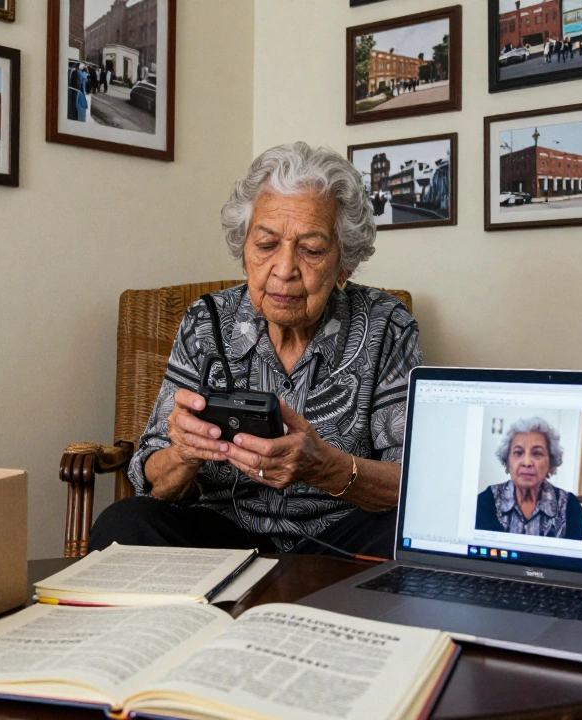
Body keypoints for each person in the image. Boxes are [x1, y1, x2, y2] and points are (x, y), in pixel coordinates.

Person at [89, 142, 421, 558]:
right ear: (243, 251)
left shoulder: (386, 324)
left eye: (312, 250)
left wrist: (326, 466)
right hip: (222, 538)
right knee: (122, 524)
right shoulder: (206, 322)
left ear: (344, 263)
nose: (284, 270)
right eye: (266, 245)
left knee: (415, 535)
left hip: (338, 542)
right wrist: (185, 452)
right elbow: (154, 480)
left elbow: (413, 483)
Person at [473, 417, 582, 540]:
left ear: (550, 463)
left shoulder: (569, 507)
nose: (527, 462)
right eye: (518, 453)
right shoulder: (486, 501)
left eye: (537, 453)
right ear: (507, 461)